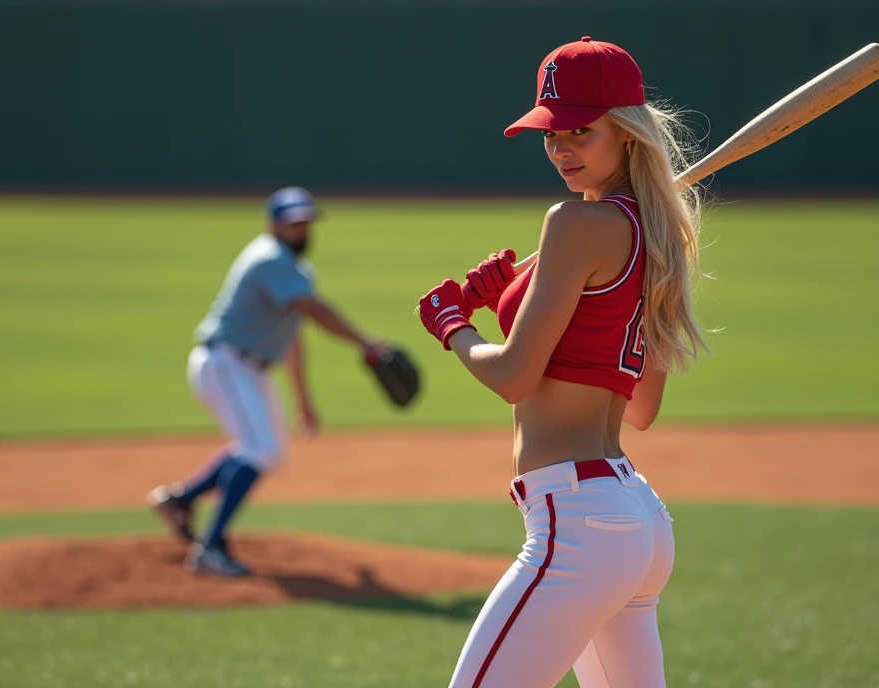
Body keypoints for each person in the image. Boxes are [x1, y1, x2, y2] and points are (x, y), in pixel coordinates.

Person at [416, 37, 709, 687]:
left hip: (579, 523)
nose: (562, 148)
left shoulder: (575, 226)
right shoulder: (655, 236)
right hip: (633, 518)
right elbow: (639, 407)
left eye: (583, 130)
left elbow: (515, 377)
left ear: (627, 134)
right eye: (552, 133)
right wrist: (509, 308)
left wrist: (451, 323)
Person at [149, 186, 387, 577]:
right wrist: (366, 343)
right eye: (293, 223)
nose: (301, 229)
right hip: (225, 362)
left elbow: (293, 336)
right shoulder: (269, 258)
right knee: (258, 449)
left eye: (306, 222)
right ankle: (210, 547)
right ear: (274, 224)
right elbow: (310, 309)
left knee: (267, 449)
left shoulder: (294, 270)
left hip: (245, 367)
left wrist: (303, 400)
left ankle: (180, 500)